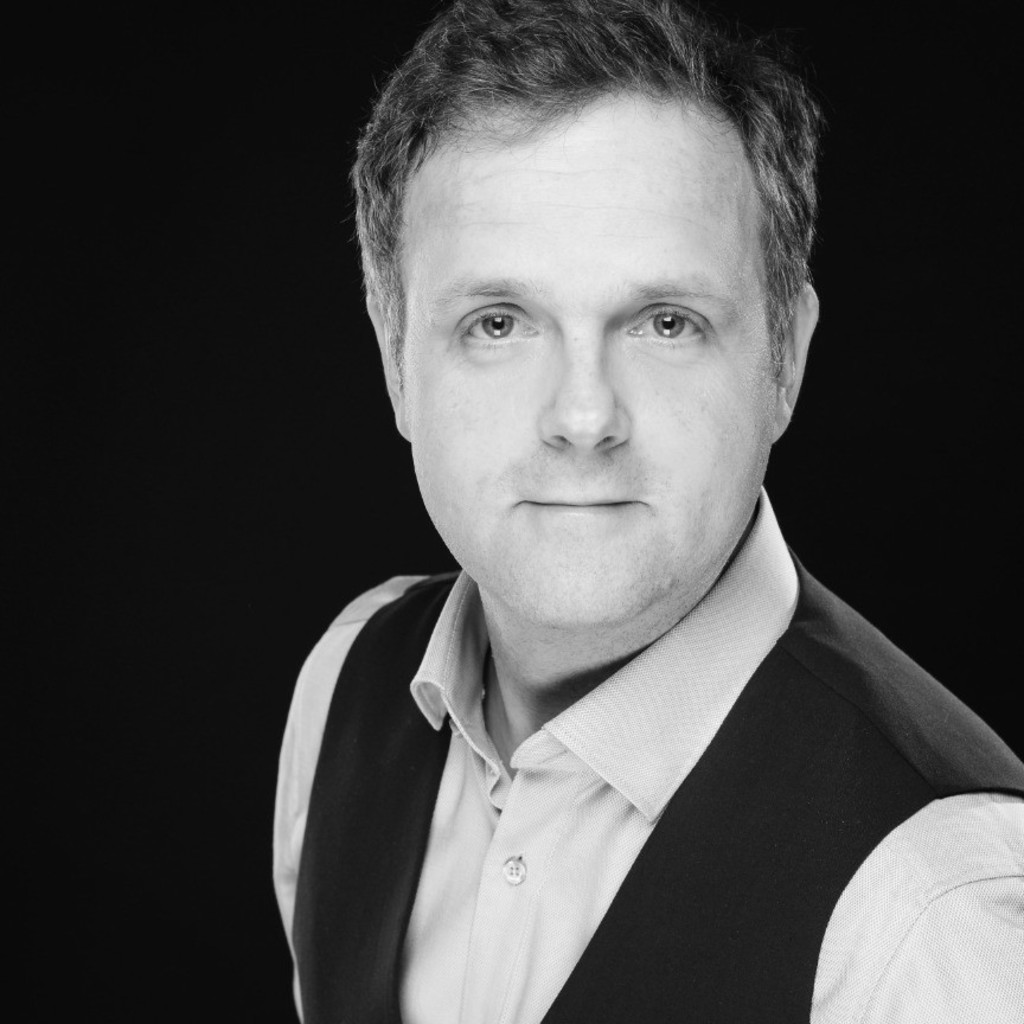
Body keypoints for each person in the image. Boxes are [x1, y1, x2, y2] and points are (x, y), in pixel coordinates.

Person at [273, 1, 1024, 1021]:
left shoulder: (937, 910)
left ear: (785, 359)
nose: (584, 418)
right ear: (392, 353)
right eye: (498, 323)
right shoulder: (343, 685)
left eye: (665, 323)